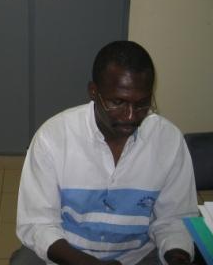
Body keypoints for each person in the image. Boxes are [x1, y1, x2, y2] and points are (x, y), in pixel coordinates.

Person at [12, 41, 198, 265]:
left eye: (142, 104)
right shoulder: (53, 138)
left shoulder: (168, 140)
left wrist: (177, 256)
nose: (130, 116)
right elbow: (37, 224)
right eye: (118, 102)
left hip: (139, 256)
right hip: (69, 254)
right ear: (93, 92)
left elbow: (174, 220)